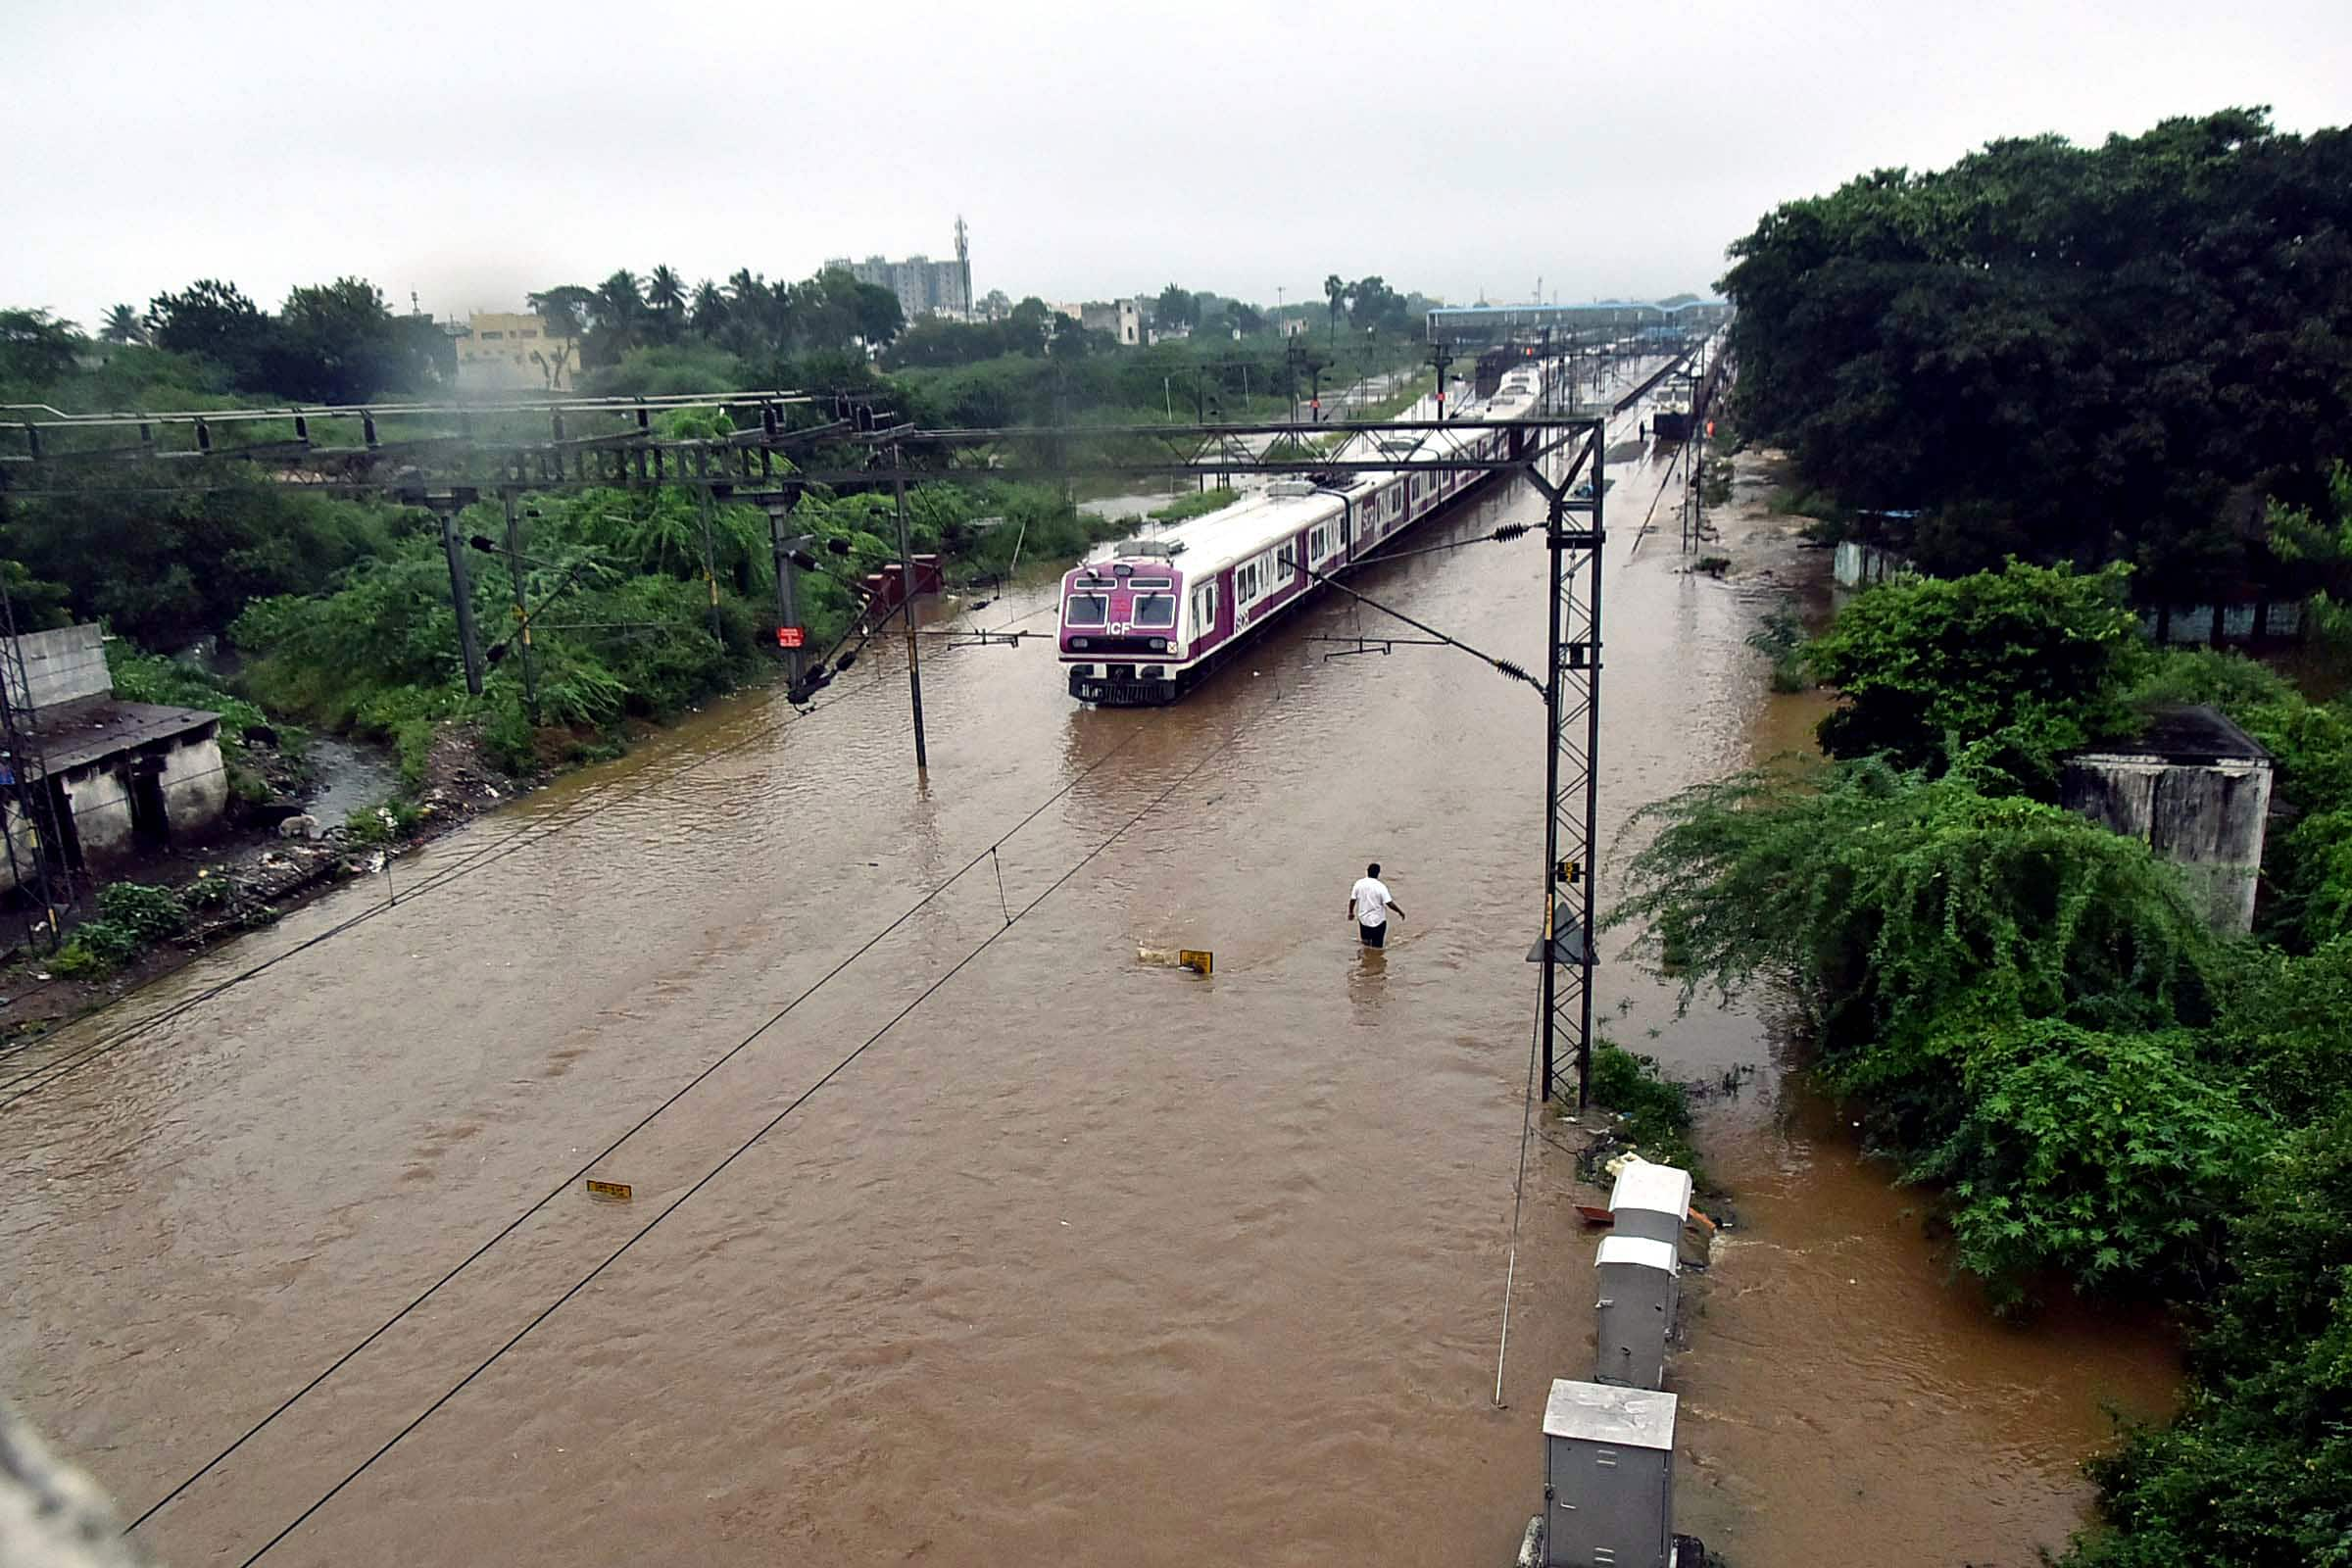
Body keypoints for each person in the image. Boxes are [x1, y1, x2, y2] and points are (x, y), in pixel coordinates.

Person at [1348, 862, 1402, 949]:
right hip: (1378, 921)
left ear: (1367, 872)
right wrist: (1400, 912)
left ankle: (1365, 959)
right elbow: (1389, 903)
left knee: (1365, 945)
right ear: (1378, 873)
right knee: (1378, 948)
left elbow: (1352, 900)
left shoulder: (1358, 884)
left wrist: (1350, 912)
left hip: (1364, 921)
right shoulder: (1381, 887)